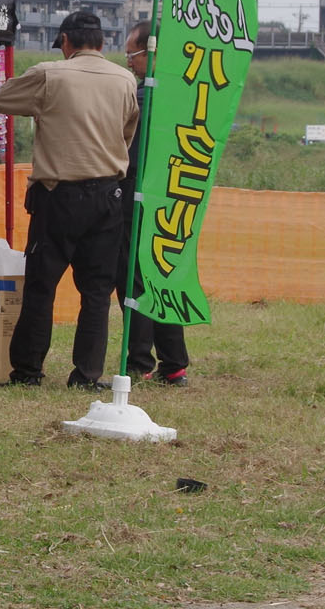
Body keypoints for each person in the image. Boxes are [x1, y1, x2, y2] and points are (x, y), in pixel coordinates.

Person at [0, 9, 139, 389]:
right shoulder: (125, 79)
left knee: (41, 287)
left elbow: (3, 99)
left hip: (57, 196)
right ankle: (87, 375)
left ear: (67, 43)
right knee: (96, 292)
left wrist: (43, 108)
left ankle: (27, 371)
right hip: (108, 195)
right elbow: (127, 132)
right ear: (103, 43)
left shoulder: (49, 74)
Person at [120, 19, 189, 386]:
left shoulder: (143, 97)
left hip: (139, 194)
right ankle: (174, 363)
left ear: (152, 52)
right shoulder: (184, 90)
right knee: (163, 272)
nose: (129, 62)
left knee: (134, 277)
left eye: (132, 54)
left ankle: (139, 360)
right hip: (173, 194)